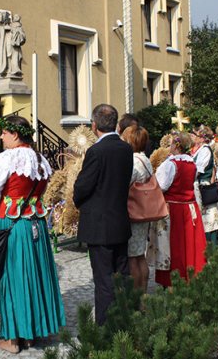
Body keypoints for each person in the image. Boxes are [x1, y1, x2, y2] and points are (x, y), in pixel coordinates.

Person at [0, 116, 65, 352]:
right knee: (34, 274)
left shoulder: (7, 158)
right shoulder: (40, 160)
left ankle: (12, 339)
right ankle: (29, 334)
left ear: (15, 135)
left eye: (4, 133)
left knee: (12, 277)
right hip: (35, 222)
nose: (1, 137)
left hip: (11, 223)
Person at [74, 104, 133, 325]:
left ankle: (106, 328)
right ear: (116, 125)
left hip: (99, 223)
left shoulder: (96, 151)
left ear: (94, 125)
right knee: (121, 275)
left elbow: (82, 186)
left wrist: (78, 202)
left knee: (104, 279)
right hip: (119, 219)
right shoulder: (126, 148)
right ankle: (125, 320)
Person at [153, 132, 207, 287]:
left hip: (173, 208)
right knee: (188, 243)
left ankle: (173, 279)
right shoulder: (192, 163)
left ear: (176, 146)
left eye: (170, 144)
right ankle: (190, 274)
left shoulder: (170, 164)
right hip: (190, 208)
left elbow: (161, 186)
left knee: (173, 245)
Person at [120, 125, 153, 292]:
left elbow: (124, 184)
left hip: (133, 212)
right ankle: (144, 294)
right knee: (141, 255)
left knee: (133, 257)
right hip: (144, 211)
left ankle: (136, 296)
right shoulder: (145, 159)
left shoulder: (133, 161)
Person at [192, 126, 218, 244]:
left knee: (210, 215)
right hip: (199, 184)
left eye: (196, 135)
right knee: (204, 216)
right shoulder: (200, 150)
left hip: (203, 185)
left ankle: (212, 244)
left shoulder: (205, 150)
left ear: (202, 138)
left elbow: (198, 170)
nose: (194, 137)